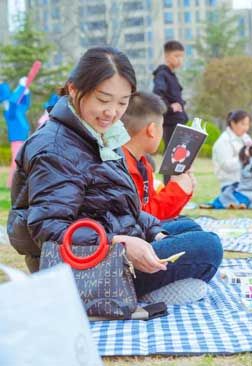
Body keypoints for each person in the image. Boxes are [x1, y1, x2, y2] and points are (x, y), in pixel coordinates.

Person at [7, 47, 222, 305]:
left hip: (106, 247)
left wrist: (154, 233)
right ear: (75, 90)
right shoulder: (55, 147)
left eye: (122, 102)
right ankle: (143, 292)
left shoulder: (98, 135)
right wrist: (120, 244)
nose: (112, 112)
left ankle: (153, 285)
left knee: (186, 228)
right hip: (79, 269)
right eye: (103, 99)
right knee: (208, 246)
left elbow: (120, 207)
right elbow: (49, 229)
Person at [121, 91, 196, 220]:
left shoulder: (143, 164)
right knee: (206, 239)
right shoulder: (123, 167)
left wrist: (182, 188)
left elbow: (152, 206)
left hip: (147, 230)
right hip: (134, 235)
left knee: (188, 224)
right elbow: (142, 217)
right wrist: (178, 191)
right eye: (161, 126)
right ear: (152, 130)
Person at [153, 40, 188, 185]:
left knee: (179, 158)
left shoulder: (172, 75)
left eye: (181, 56)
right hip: (170, 123)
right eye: (176, 56)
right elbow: (157, 95)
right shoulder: (162, 74)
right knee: (172, 158)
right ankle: (169, 190)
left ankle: (176, 189)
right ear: (167, 56)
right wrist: (170, 106)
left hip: (178, 122)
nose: (179, 60)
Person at [212, 110, 252, 190]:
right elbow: (227, 166)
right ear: (233, 123)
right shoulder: (224, 141)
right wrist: (245, 157)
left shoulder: (245, 138)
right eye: (243, 124)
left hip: (246, 182)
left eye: (248, 124)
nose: (246, 128)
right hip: (230, 184)